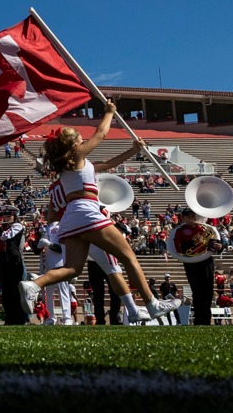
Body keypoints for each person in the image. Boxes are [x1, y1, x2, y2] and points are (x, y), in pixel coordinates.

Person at [19, 104, 182, 322]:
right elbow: (101, 133)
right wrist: (109, 111)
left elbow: (107, 164)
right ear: (73, 143)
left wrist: (133, 151)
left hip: (71, 220)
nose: (81, 139)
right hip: (87, 212)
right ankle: (152, 304)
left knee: (72, 269)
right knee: (128, 257)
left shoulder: (71, 166)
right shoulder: (76, 155)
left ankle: (33, 285)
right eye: (78, 137)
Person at [168, 208, 216, 325]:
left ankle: (206, 320)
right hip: (191, 262)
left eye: (193, 216)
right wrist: (194, 242)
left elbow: (213, 245)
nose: (192, 218)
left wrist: (219, 246)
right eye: (189, 216)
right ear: (183, 218)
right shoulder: (180, 230)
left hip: (206, 260)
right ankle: (199, 320)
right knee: (197, 291)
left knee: (208, 291)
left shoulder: (204, 229)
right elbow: (179, 248)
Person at [0, 204, 27, 325]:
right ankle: (10, 317)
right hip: (2, 260)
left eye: (9, 215)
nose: (6, 217)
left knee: (15, 289)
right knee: (5, 289)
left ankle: (19, 317)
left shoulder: (17, 226)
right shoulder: (3, 227)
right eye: (4, 215)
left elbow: (6, 236)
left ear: (14, 215)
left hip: (13, 259)